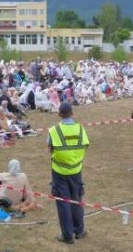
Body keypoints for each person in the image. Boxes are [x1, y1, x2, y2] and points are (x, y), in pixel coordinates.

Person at [48, 102, 89, 244]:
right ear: (72, 113)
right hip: (76, 170)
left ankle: (67, 235)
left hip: (59, 171)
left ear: (59, 114)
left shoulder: (54, 130)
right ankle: (79, 230)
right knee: (76, 199)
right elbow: (85, 145)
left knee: (63, 202)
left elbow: (50, 148)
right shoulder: (80, 128)